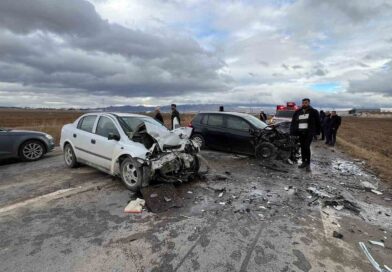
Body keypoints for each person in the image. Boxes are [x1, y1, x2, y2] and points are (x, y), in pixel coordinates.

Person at [290, 98, 320, 171]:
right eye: (303, 103)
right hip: (300, 133)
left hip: (309, 133)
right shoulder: (298, 112)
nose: (304, 104)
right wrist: (292, 133)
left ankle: (308, 164)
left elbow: (318, 122)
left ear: (309, 103)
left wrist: (317, 133)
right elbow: (293, 123)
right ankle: (304, 162)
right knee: (302, 148)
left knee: (306, 147)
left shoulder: (313, 111)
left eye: (306, 103)